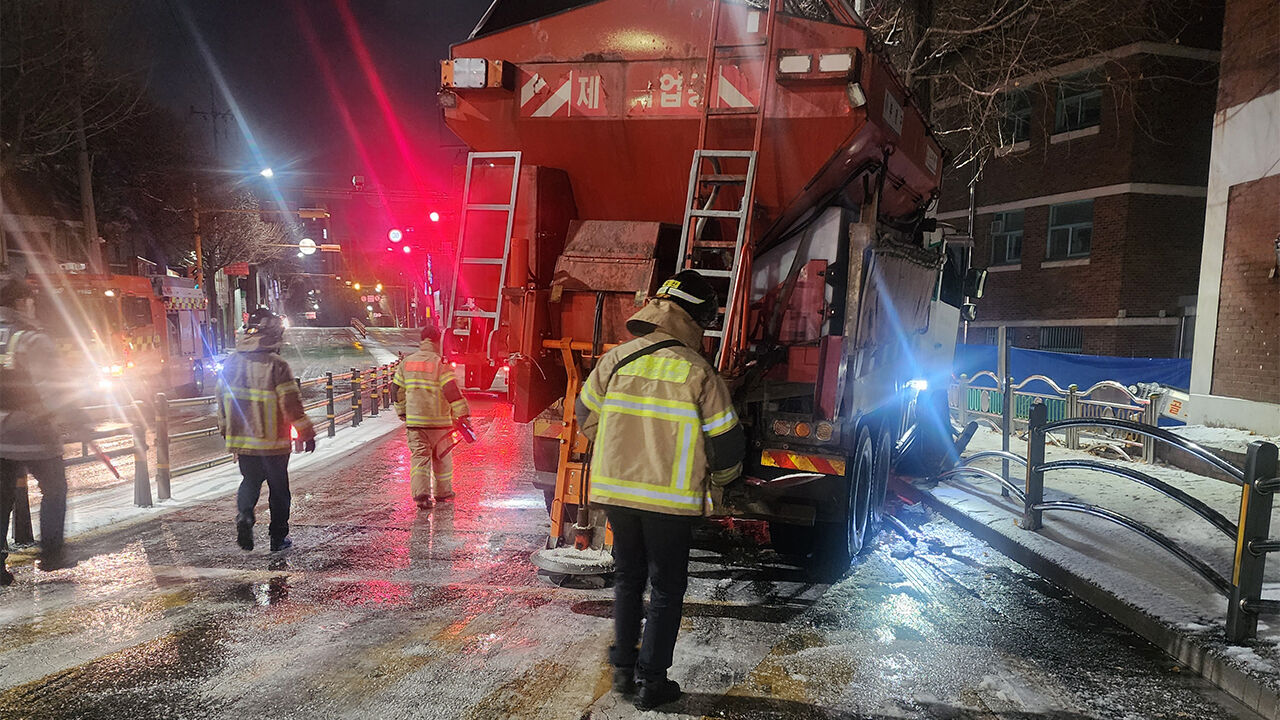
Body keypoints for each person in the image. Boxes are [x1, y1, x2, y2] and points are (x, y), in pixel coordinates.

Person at [575, 269, 745, 709]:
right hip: (671, 504)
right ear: (693, 319)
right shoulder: (699, 372)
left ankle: (623, 673)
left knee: (628, 580)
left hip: (616, 495)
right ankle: (653, 681)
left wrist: (622, 446)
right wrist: (723, 485)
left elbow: (587, 417)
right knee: (667, 588)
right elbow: (726, 444)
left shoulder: (616, 360)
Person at [0, 272, 86, 584]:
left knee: (1, 499)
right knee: (54, 489)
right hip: (31, 430)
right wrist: (77, 419)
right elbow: (55, 389)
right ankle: (51, 554)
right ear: (22, 302)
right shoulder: (31, 339)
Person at [216, 308, 315, 552]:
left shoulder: (231, 363)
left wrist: (225, 429)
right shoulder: (277, 365)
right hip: (274, 440)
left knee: (249, 481)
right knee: (279, 489)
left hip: (243, 439)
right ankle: (278, 538)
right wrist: (306, 432)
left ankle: (245, 516)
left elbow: (221, 399)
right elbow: (291, 403)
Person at [393, 325, 469, 509]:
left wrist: (402, 410)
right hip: (439, 424)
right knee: (442, 458)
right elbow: (451, 392)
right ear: (436, 341)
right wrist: (462, 415)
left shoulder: (406, 363)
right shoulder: (439, 364)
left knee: (420, 458)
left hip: (416, 423)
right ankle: (443, 493)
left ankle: (421, 495)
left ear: (422, 340)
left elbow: (396, 390)